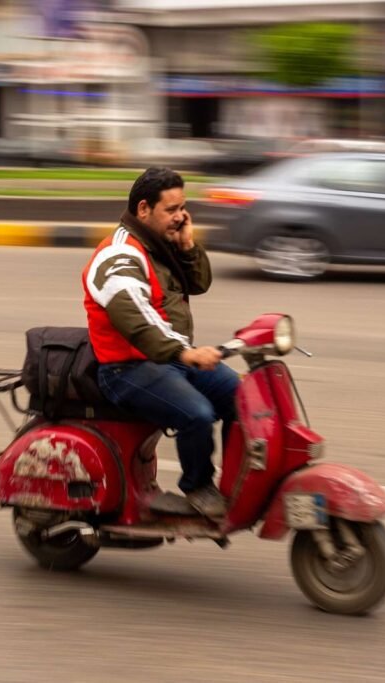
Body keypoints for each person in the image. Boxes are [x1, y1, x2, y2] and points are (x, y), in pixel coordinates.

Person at [82, 167, 239, 518]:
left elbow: (198, 284)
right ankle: (197, 487)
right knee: (198, 414)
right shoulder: (118, 256)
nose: (181, 216)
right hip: (128, 368)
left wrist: (187, 246)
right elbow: (138, 320)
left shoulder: (159, 245)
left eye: (183, 207)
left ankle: (238, 482)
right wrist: (186, 352)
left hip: (169, 359)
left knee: (243, 396)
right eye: (171, 210)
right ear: (143, 209)